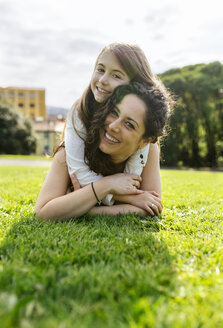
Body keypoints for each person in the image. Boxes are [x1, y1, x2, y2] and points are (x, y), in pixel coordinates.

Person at [34, 82, 171, 221]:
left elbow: (151, 208)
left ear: (145, 140)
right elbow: (42, 212)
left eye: (129, 124)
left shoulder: (148, 150)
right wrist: (107, 185)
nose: (113, 126)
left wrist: (83, 208)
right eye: (114, 112)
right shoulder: (72, 150)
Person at [65, 43, 170, 206]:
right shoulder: (79, 112)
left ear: (134, 86)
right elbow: (80, 176)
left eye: (116, 76)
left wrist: (90, 199)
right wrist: (129, 198)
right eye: (100, 69)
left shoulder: (141, 137)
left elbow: (133, 181)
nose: (103, 80)